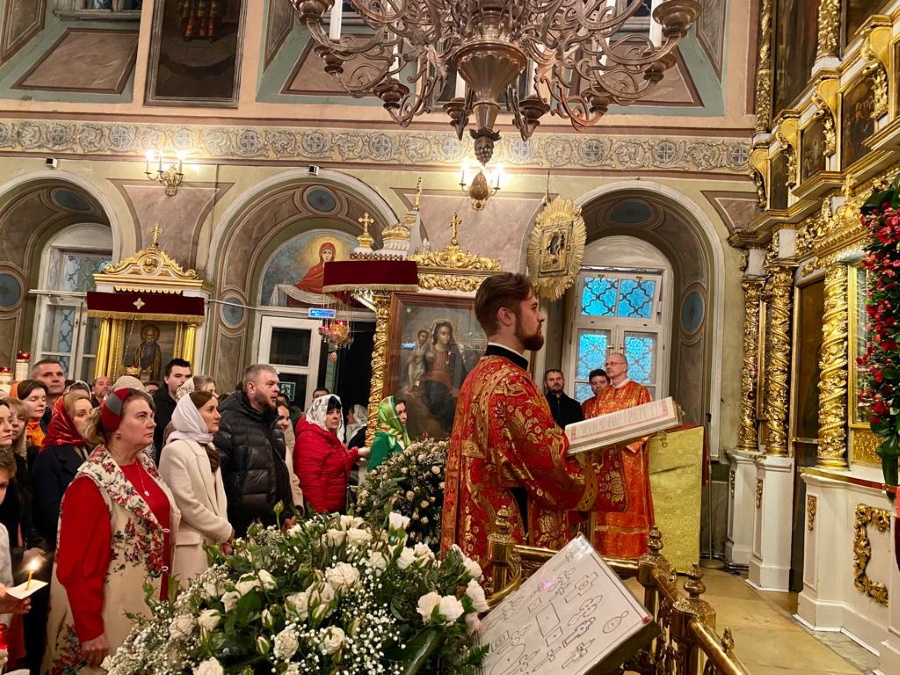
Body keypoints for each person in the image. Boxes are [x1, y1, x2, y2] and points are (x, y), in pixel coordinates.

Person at [440, 273, 627, 574]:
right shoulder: (511, 382)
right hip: (511, 544)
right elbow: (549, 466)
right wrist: (608, 450)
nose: (541, 316)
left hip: (483, 539)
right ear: (506, 316)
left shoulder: (479, 375)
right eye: (533, 307)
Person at [45, 388, 180, 673]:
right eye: (141, 416)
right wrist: (90, 629)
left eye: (151, 415)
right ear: (115, 427)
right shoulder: (91, 483)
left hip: (147, 601)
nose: (152, 423)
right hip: (110, 612)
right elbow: (77, 565)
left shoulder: (144, 464)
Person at [214, 365, 296, 538]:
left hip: (272, 524)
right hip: (240, 526)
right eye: (270, 384)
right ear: (251, 388)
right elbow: (218, 477)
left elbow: (281, 471)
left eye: (277, 384)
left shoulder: (272, 423)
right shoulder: (228, 421)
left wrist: (287, 511)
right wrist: (223, 527)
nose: (277, 389)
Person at [159, 391, 232, 587]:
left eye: (217, 409)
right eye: (210, 410)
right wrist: (224, 530)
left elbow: (219, 498)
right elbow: (186, 504)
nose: (218, 415)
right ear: (192, 414)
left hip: (214, 542)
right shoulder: (174, 450)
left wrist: (224, 535)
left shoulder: (208, 447)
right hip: (191, 547)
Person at [585, 353, 653, 559]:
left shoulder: (639, 391)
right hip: (605, 458)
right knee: (605, 502)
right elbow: (594, 421)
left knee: (628, 501)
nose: (608, 366)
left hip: (628, 459)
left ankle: (631, 552)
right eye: (606, 364)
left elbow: (648, 423)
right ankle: (603, 550)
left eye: (613, 363)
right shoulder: (604, 394)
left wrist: (628, 445)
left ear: (624, 367)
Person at [294, 394, 369, 514]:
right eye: (329, 413)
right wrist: (319, 514)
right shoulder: (310, 438)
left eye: (338, 412)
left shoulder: (329, 436)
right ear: (319, 414)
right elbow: (309, 483)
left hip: (332, 509)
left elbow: (336, 461)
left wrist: (358, 453)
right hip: (321, 511)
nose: (336, 416)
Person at [421, 320, 468, 433]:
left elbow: (459, 371)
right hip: (430, 386)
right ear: (436, 334)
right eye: (443, 333)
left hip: (447, 387)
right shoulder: (429, 349)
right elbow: (420, 368)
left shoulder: (453, 352)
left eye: (448, 334)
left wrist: (455, 388)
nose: (446, 337)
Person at [152, 358, 192, 460]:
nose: (183, 381)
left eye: (188, 377)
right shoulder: (156, 402)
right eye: (178, 376)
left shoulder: (192, 401)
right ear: (166, 379)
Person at [276, 402, 305, 515]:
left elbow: (292, 478)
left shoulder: (285, 448)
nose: (286, 423)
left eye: (287, 419)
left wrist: (298, 506)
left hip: (287, 511)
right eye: (280, 418)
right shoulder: (263, 445)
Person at [13, 380, 48, 468]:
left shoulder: (47, 427)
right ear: (17, 402)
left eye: (44, 399)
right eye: (33, 399)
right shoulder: (11, 431)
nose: (41, 404)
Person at [368, 397, 410, 470]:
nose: (405, 416)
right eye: (399, 413)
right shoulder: (381, 440)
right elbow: (373, 473)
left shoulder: (403, 434)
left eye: (404, 411)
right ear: (388, 415)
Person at [31, 360, 65, 431]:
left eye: (59, 374)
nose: (56, 379)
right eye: (47, 375)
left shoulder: (72, 410)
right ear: (34, 380)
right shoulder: (27, 412)